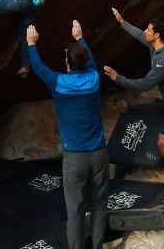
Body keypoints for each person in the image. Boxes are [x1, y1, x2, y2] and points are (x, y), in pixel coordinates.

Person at [103, 8, 164, 203]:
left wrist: (117, 77)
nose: (145, 31)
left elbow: (146, 84)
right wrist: (122, 22)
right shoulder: (155, 46)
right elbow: (139, 34)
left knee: (163, 142)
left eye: (148, 30)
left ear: (157, 35)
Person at [27, 21, 108, 249]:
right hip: (99, 153)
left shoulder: (59, 83)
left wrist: (31, 44)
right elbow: (90, 60)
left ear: (67, 63)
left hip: (75, 158)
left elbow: (39, 68)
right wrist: (80, 38)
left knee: (76, 211)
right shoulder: (94, 78)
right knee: (100, 205)